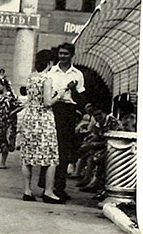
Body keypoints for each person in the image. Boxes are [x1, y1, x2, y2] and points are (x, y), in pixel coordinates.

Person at [20, 49, 64, 204]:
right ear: (50, 63)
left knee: (28, 157)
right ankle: (48, 191)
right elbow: (47, 103)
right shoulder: (47, 79)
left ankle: (27, 190)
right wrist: (59, 95)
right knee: (51, 157)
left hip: (29, 118)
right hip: (44, 119)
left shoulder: (31, 77)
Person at [45, 42, 86, 201]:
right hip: (52, 110)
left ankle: (59, 187)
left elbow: (81, 98)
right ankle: (46, 186)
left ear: (71, 55)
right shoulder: (51, 72)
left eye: (65, 54)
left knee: (64, 150)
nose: (62, 56)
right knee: (49, 148)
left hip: (68, 112)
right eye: (60, 53)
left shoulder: (77, 74)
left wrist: (73, 90)